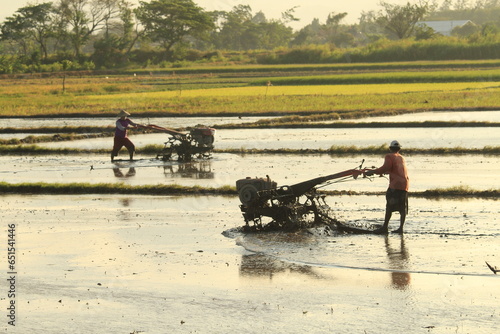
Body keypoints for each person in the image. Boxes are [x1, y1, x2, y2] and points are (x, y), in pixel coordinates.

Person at [365, 140, 409, 234]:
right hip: (405, 184)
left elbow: (385, 167)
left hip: (395, 185)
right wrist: (384, 172)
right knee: (402, 207)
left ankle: (385, 227)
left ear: (390, 148)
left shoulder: (389, 156)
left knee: (389, 206)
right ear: (399, 149)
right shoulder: (401, 157)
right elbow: (395, 169)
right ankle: (400, 228)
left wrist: (372, 172)